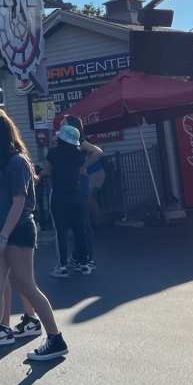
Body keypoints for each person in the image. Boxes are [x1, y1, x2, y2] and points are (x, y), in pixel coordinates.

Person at [0, 111, 67, 367]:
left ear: (0, 135)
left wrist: (4, 236)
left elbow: (19, 203)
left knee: (26, 286)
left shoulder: (17, 162)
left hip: (16, 233)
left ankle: (55, 338)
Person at [44, 125, 94, 279]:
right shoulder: (79, 155)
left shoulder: (53, 153)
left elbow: (46, 171)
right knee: (80, 229)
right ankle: (84, 264)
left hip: (59, 195)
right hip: (76, 194)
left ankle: (62, 266)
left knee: (61, 231)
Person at [58, 115, 104, 273]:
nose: (61, 124)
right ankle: (77, 256)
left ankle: (89, 258)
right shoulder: (65, 142)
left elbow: (97, 151)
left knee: (83, 222)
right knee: (77, 222)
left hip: (81, 184)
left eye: (64, 122)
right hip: (72, 185)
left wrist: (84, 165)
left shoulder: (80, 142)